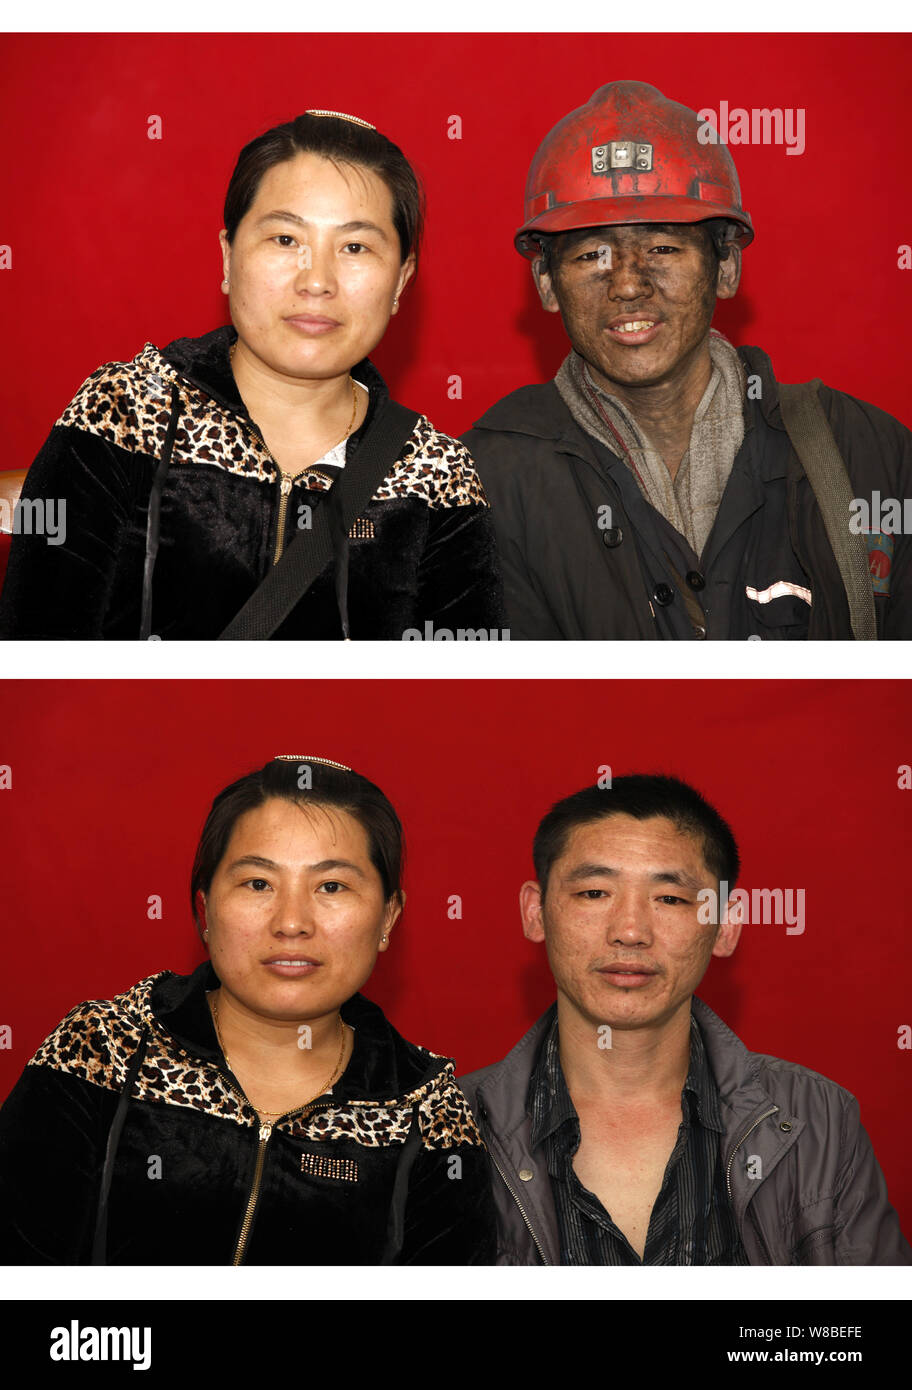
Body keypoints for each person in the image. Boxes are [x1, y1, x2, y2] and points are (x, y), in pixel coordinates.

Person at [0, 111, 504, 639]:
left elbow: (463, 709)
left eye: (355, 247)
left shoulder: (436, 473)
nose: (317, 281)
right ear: (227, 256)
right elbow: (34, 669)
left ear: (401, 279)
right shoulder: (127, 413)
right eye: (286, 240)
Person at [0, 755, 496, 1264]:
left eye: (332, 886)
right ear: (205, 910)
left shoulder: (428, 1112)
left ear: (388, 916)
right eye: (258, 883)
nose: (291, 922)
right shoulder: (102, 1049)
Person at [462, 81, 912, 640]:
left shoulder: (867, 455)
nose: (627, 283)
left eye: (663, 249)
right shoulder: (480, 482)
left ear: (725, 266)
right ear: (547, 283)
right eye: (590, 254)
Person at [458, 774, 912, 1264]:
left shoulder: (820, 1120)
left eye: (670, 898)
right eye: (594, 893)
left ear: (726, 924)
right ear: (536, 911)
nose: (630, 931)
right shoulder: (450, 1126)